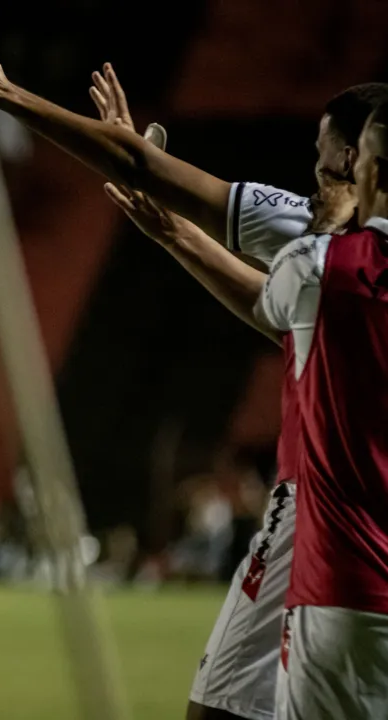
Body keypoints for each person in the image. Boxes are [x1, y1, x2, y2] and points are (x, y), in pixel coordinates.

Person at [0, 41, 388, 720]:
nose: (316, 169)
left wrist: (10, 96)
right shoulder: (320, 252)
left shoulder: (320, 251)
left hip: (326, 517)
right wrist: (179, 237)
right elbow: (282, 317)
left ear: (360, 163)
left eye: (326, 153)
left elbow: (144, 165)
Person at [256, 103, 388, 720]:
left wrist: (330, 228)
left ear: (370, 173)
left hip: (343, 592)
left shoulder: (321, 265)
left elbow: (270, 303)